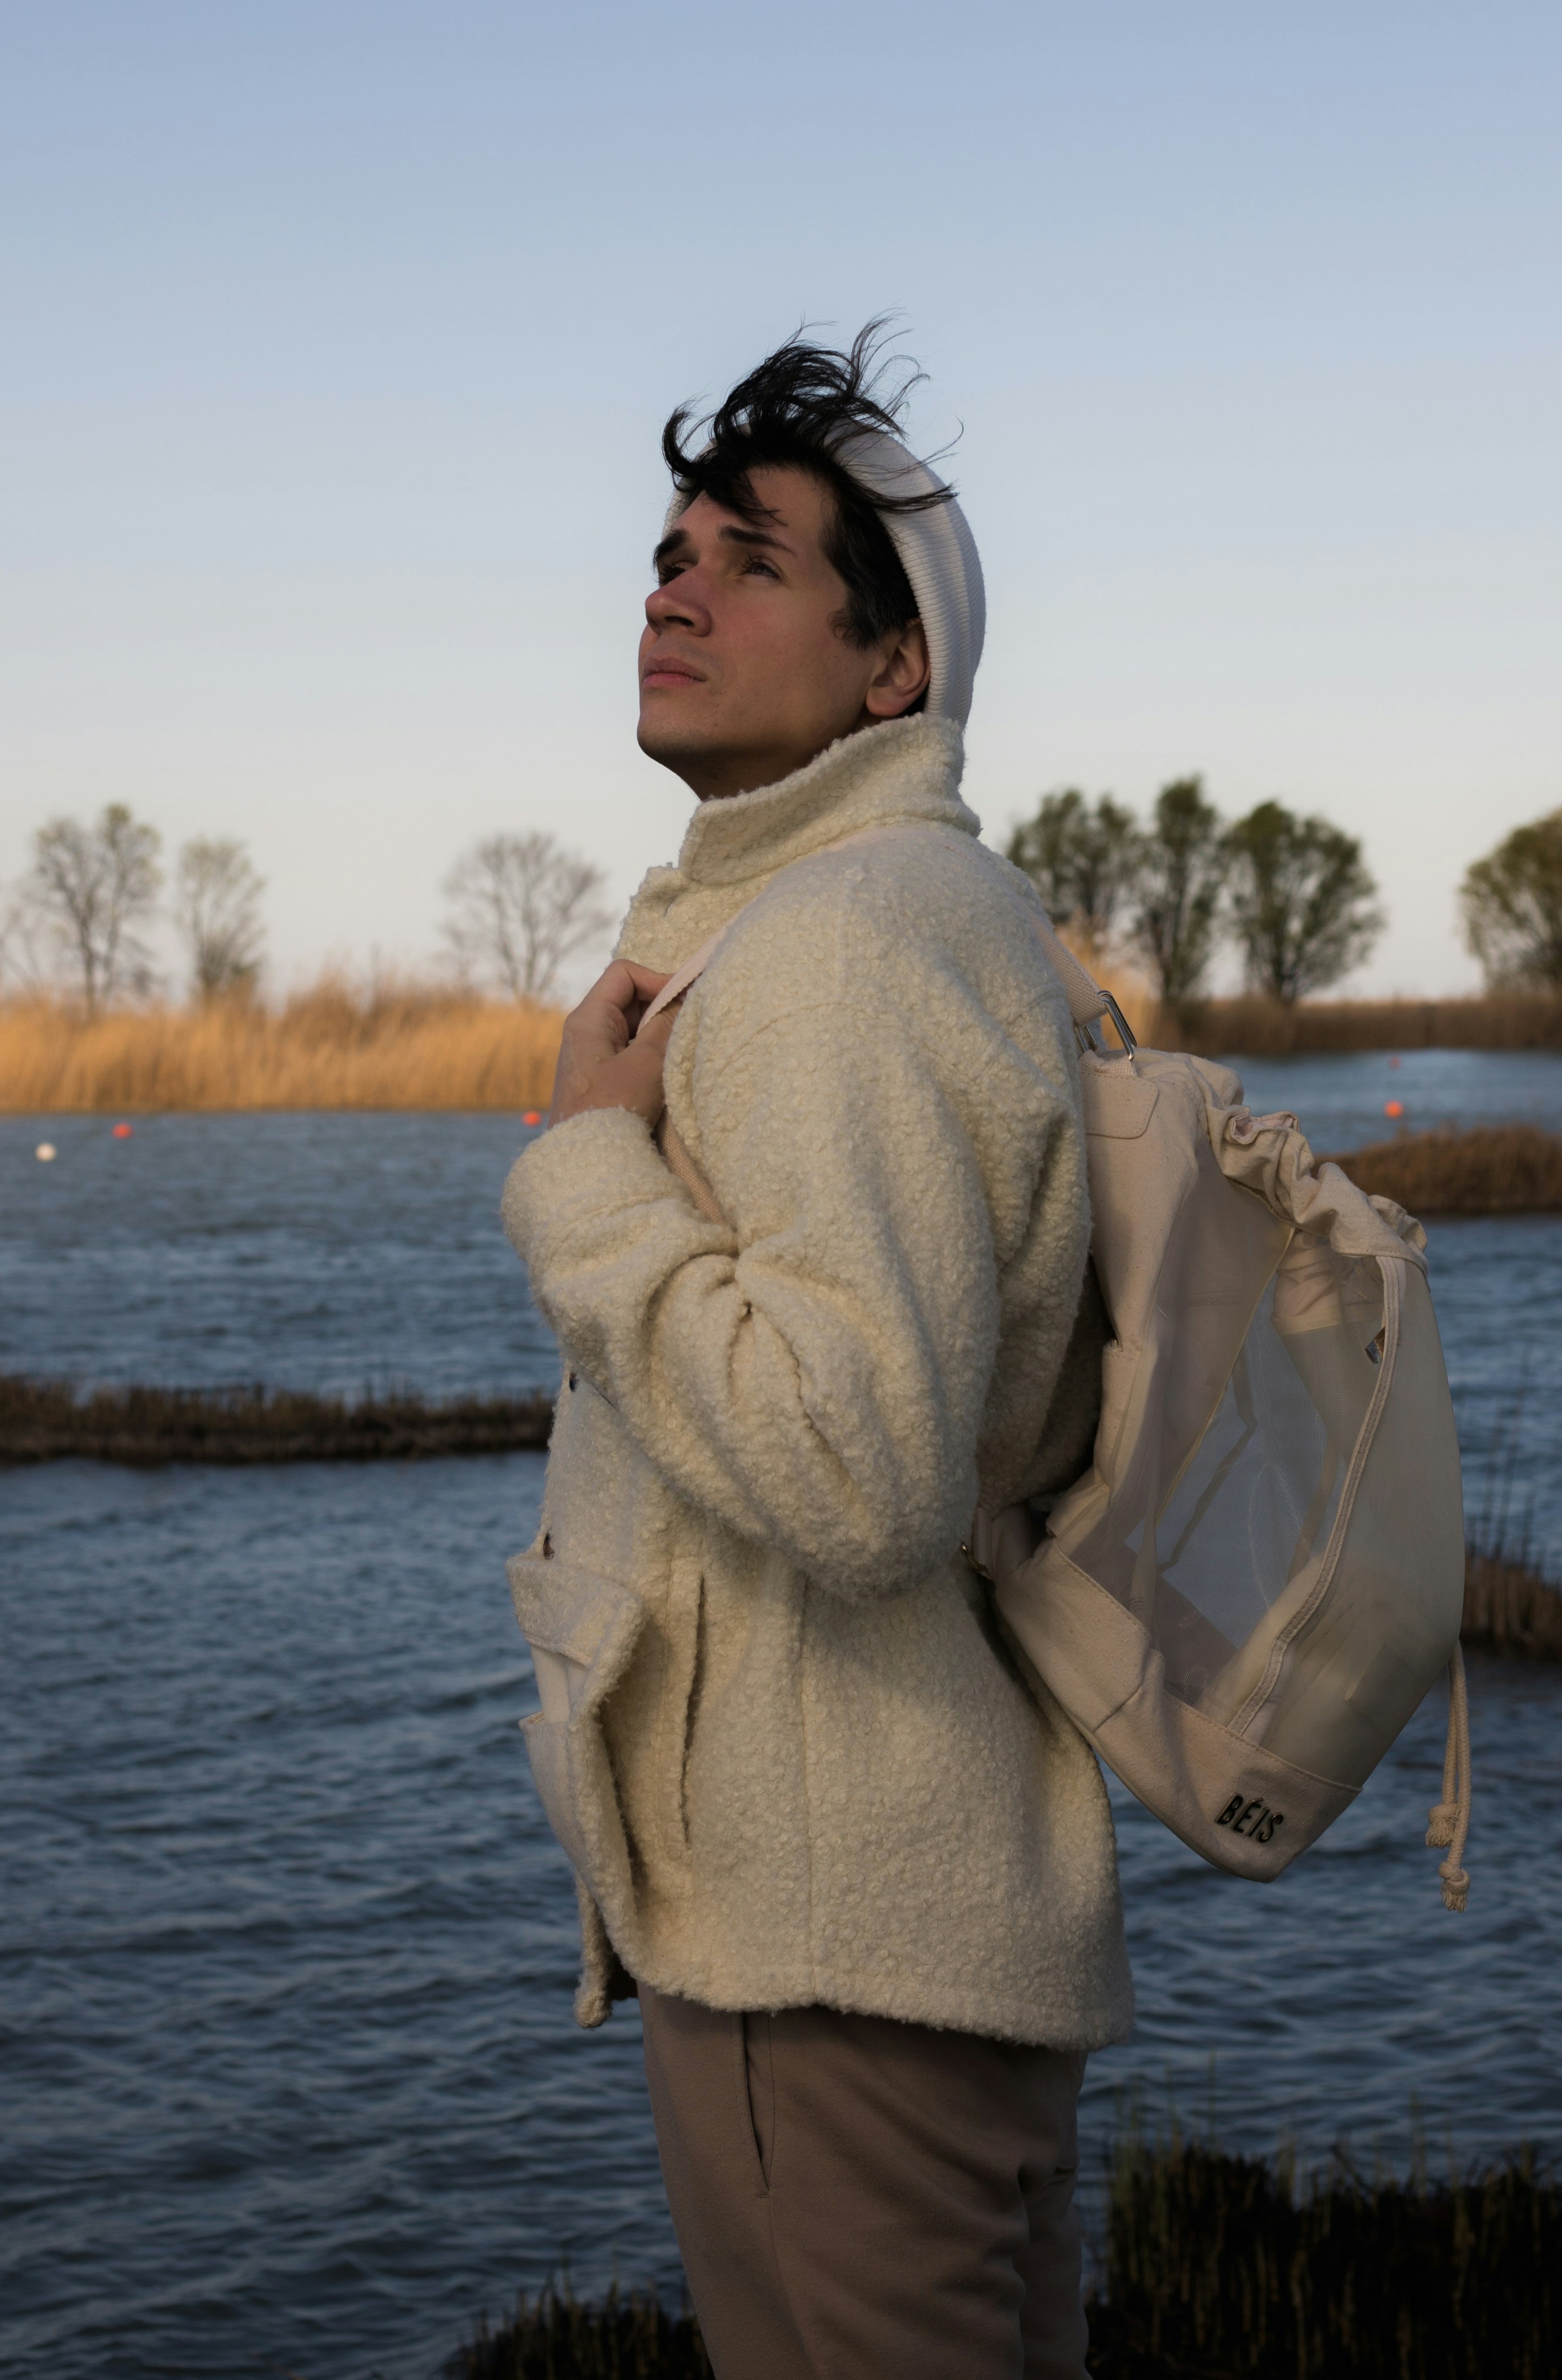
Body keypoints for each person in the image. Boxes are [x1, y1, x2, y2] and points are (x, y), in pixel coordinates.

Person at [501, 328, 1128, 2379]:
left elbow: (854, 1467)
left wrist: (588, 1172)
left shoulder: (844, 947)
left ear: (892, 670)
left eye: (749, 558)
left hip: (832, 1949)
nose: (673, 585)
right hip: (910, 1918)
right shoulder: (901, 918)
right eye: (670, 548)